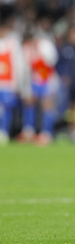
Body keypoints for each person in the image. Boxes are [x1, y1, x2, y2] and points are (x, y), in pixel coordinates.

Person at [21, 26, 59, 145]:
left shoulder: (45, 45)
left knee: (47, 105)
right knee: (29, 102)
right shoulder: (26, 48)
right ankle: (29, 131)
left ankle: (46, 133)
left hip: (47, 79)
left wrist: (39, 52)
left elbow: (52, 61)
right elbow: (26, 66)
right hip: (34, 80)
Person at [0, 8, 31, 145]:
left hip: (8, 83)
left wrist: (17, 84)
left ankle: (4, 132)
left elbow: (19, 65)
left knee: (6, 108)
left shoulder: (13, 44)